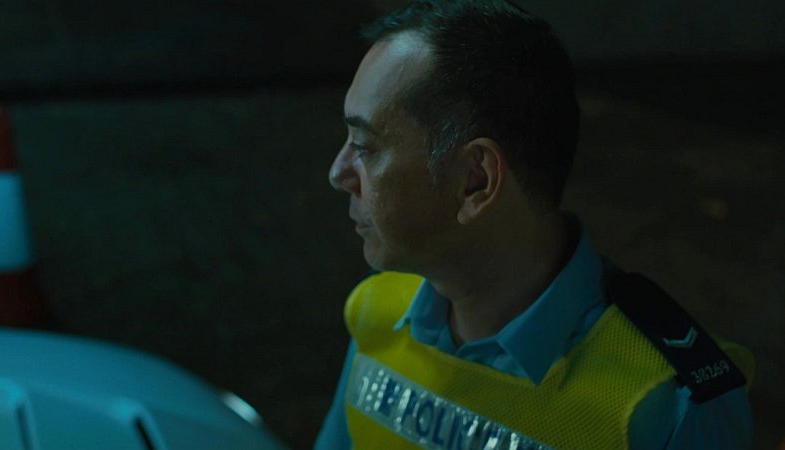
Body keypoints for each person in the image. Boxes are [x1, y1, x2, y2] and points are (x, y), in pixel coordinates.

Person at [315, 1, 754, 449]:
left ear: (475, 181)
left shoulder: (667, 404)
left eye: (364, 146)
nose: (337, 173)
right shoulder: (380, 310)